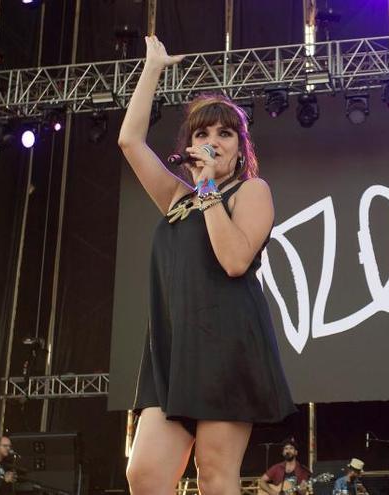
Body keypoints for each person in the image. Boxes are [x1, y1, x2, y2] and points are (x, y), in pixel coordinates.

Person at [121, 35, 297, 495]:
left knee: (215, 478)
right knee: (145, 474)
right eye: (202, 134)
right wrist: (153, 69)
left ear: (240, 147)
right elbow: (129, 140)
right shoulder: (178, 199)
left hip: (225, 345)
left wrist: (208, 190)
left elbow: (235, 260)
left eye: (224, 133)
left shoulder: (250, 191)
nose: (213, 141)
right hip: (173, 350)